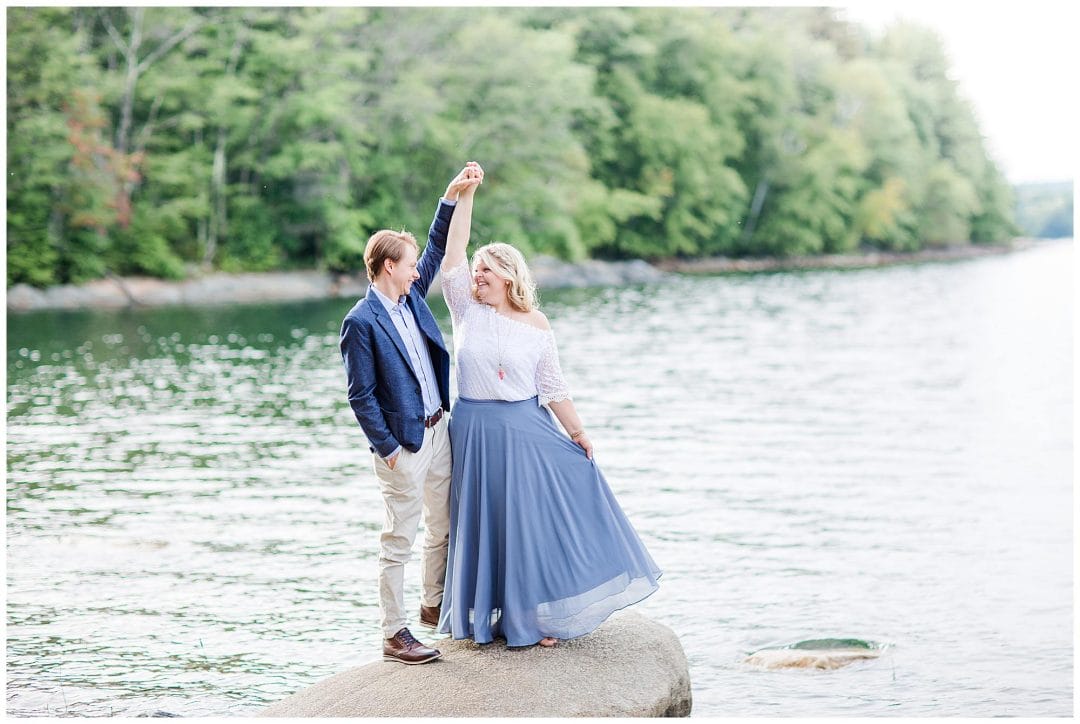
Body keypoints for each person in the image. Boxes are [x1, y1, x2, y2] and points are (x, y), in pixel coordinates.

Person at [436, 163, 661, 648]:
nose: (477, 276)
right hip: (474, 430)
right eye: (476, 272)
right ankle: (480, 618)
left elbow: (553, 387)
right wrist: (462, 194)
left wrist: (578, 432)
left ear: (508, 275)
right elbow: (453, 253)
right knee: (482, 523)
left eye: (486, 271)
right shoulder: (465, 309)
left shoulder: (536, 323)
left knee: (524, 526)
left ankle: (532, 619)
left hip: (524, 430)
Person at [339, 163, 482, 665]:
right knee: (399, 537)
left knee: (441, 525)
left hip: (437, 431)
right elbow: (361, 396)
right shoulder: (360, 321)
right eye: (408, 264)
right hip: (402, 446)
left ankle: (432, 605)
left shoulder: (412, 299)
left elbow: (438, 248)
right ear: (385, 267)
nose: (418, 269)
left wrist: (451, 195)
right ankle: (393, 633)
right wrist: (391, 450)